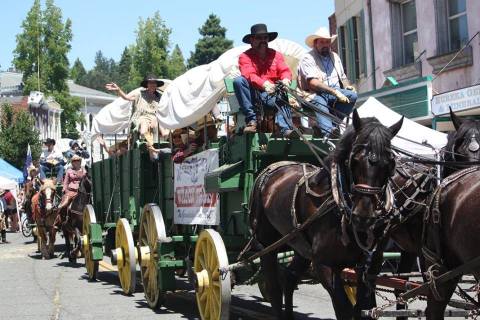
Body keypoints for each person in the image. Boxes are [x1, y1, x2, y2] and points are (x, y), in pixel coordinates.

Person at [233, 23, 297, 138]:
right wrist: (264, 84)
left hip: (272, 95)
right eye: (259, 38)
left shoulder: (276, 55)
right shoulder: (244, 57)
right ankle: (252, 121)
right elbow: (249, 75)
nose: (263, 40)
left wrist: (286, 80)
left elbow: (284, 70)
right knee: (238, 81)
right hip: (254, 96)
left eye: (265, 38)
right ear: (251, 40)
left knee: (282, 93)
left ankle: (285, 129)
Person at [297, 27, 357, 137]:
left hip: (334, 93)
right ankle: (328, 132)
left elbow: (343, 77)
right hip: (313, 93)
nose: (325, 44)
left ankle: (331, 126)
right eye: (322, 42)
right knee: (320, 102)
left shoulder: (335, 57)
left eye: (327, 42)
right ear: (315, 43)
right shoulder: (308, 58)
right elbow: (312, 83)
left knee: (352, 96)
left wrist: (348, 86)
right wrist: (334, 92)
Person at [105, 75, 168, 152]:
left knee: (165, 132)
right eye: (150, 83)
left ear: (156, 85)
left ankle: (163, 146)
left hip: (156, 117)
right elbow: (126, 97)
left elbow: (165, 108)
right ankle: (147, 147)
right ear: (147, 84)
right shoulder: (140, 94)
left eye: (154, 83)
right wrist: (118, 90)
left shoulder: (160, 96)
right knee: (143, 131)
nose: (152, 85)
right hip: (143, 116)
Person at [57, 155, 86, 220]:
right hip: (71, 191)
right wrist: (65, 189)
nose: (76, 162)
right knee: (63, 205)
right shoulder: (69, 171)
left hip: (82, 191)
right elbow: (66, 182)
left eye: (77, 160)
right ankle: (58, 221)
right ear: (72, 162)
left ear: (80, 162)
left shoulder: (84, 170)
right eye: (74, 161)